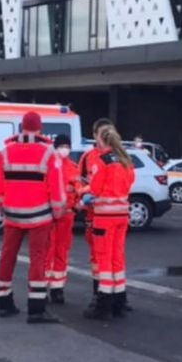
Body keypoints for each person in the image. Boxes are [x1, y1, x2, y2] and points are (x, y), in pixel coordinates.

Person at [0, 112, 65, 324]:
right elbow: (57, 188)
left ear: (21, 127)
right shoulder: (49, 153)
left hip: (13, 215)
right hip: (39, 216)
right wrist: (58, 211)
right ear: (40, 128)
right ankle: (36, 308)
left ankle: (4, 302)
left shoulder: (5, 152)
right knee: (38, 258)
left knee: (7, 256)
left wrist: (1, 206)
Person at [82, 126, 136, 320]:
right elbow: (129, 184)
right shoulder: (125, 161)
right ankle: (119, 301)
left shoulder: (102, 161)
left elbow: (95, 188)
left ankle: (103, 305)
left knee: (104, 259)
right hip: (122, 215)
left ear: (101, 140)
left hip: (104, 217)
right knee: (117, 258)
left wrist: (84, 195)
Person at [79, 118, 114, 304]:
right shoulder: (88, 157)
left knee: (114, 255)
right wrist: (84, 195)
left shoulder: (118, 157)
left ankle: (115, 296)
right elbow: (81, 182)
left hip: (111, 215)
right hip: (94, 213)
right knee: (97, 255)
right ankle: (98, 292)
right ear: (94, 135)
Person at [47, 134, 81, 304]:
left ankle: (57, 288)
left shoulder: (73, 167)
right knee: (48, 252)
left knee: (62, 251)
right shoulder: (50, 164)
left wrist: (78, 203)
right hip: (50, 216)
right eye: (62, 146)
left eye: (67, 146)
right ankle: (42, 287)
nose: (65, 149)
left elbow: (78, 189)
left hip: (67, 215)